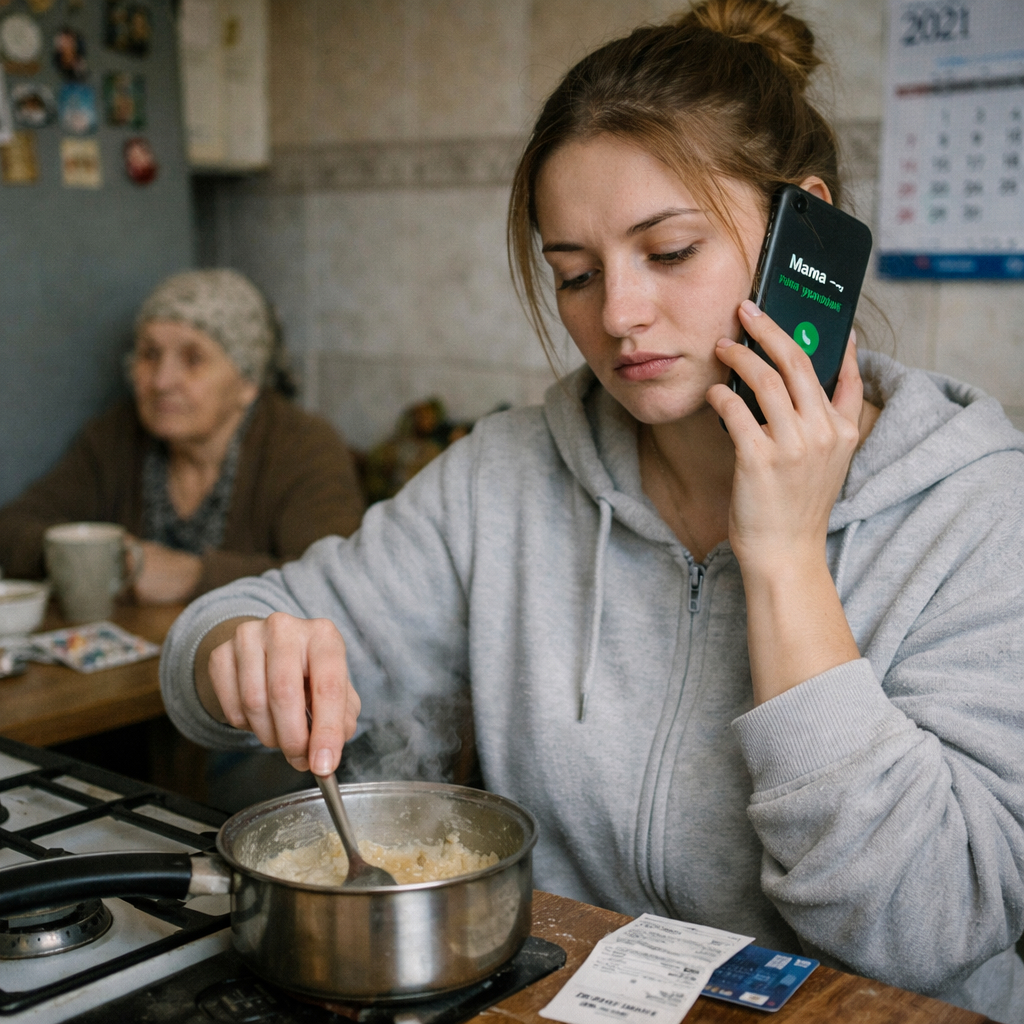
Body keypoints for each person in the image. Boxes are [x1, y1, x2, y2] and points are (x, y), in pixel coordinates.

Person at [159, 3, 1024, 1020]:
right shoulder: (510, 472)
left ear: (808, 242)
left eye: (667, 252)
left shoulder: (977, 509)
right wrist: (241, 650)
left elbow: (930, 930)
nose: (614, 316)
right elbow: (208, 647)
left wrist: (785, 555)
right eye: (573, 272)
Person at [0, 268, 365, 604]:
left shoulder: (303, 445)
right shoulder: (118, 433)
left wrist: (196, 576)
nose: (161, 381)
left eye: (193, 359)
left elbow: (334, 580)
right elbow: (13, 526)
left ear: (247, 383)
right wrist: (87, 554)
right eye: (150, 354)